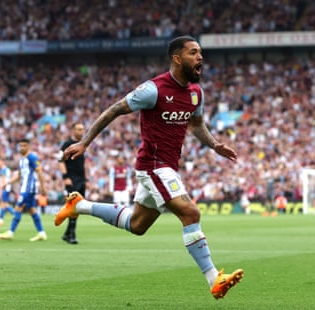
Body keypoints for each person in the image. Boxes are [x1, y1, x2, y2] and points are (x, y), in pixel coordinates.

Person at [55, 36, 243, 299]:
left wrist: (215, 145)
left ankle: (79, 206)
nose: (200, 57)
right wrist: (84, 142)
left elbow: (197, 125)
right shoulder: (153, 90)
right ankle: (214, 278)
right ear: (177, 58)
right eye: (193, 52)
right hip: (153, 166)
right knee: (190, 213)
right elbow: (113, 110)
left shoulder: (195, 93)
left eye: (200, 52)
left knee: (137, 224)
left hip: (168, 167)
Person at [0, 138, 48, 241]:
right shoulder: (21, 160)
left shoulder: (32, 157)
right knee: (32, 210)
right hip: (24, 187)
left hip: (29, 188)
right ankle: (41, 233)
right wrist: (7, 182)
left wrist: (43, 187)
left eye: (24, 145)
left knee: (18, 208)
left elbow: (40, 172)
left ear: (29, 146)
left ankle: (10, 233)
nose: (22, 148)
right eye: (20, 146)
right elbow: (18, 176)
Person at [58, 122, 88, 244]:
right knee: (73, 206)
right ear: (73, 131)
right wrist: (65, 177)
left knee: (78, 207)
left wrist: (86, 179)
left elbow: (82, 164)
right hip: (71, 179)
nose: (82, 132)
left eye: (83, 129)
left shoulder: (82, 145)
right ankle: (71, 234)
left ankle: (67, 233)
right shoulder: (66, 144)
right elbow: (60, 161)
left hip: (81, 180)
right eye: (79, 129)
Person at [0, 159, 15, 226]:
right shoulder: (6, 169)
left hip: (5, 188)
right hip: (6, 187)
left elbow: (3, 179)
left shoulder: (4, 170)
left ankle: (14, 214)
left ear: (2, 162)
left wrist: (2, 187)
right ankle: (0, 220)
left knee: (4, 204)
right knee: (2, 204)